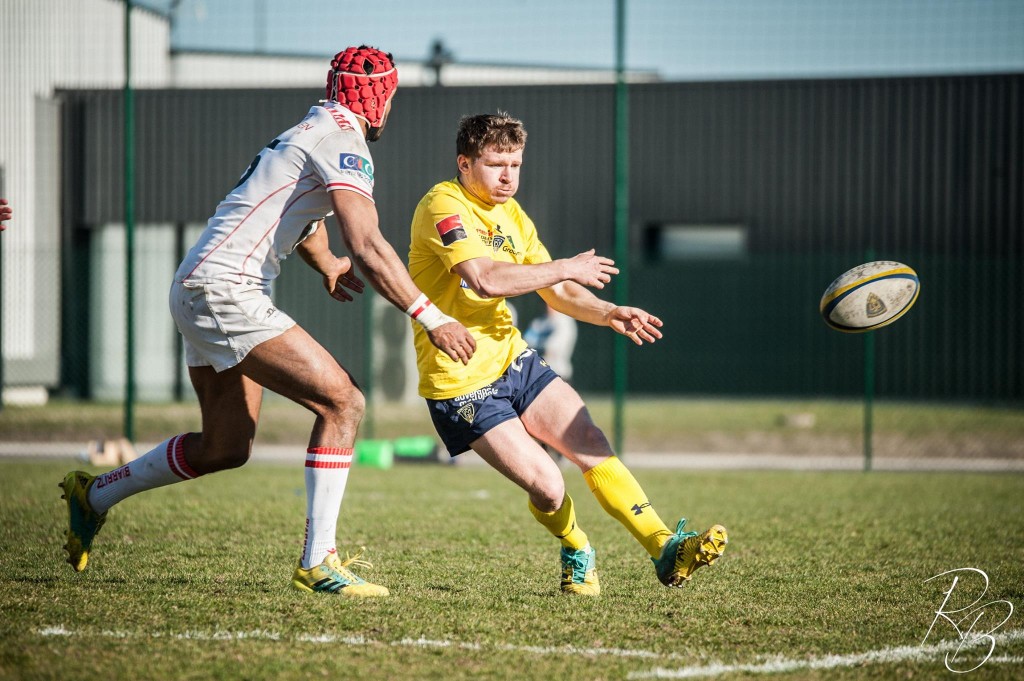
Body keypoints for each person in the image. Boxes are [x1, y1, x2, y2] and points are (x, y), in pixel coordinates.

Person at [59, 46, 476, 597]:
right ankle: (318, 562)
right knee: (344, 402)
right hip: (226, 290)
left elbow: (300, 216)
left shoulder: (307, 131)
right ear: (379, 98)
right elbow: (369, 243)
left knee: (225, 446)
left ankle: (94, 495)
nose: (390, 109)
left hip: (199, 284)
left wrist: (326, 263)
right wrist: (431, 317)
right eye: (392, 97)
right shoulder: (344, 139)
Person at [408, 112, 726, 596]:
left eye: (516, 164)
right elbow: (485, 278)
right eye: (496, 164)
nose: (508, 176)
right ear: (464, 164)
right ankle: (577, 546)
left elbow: (557, 291)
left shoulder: (513, 215)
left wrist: (608, 311)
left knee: (589, 442)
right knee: (548, 487)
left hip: (512, 358)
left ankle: (666, 548)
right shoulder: (443, 204)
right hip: (461, 380)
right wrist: (564, 267)